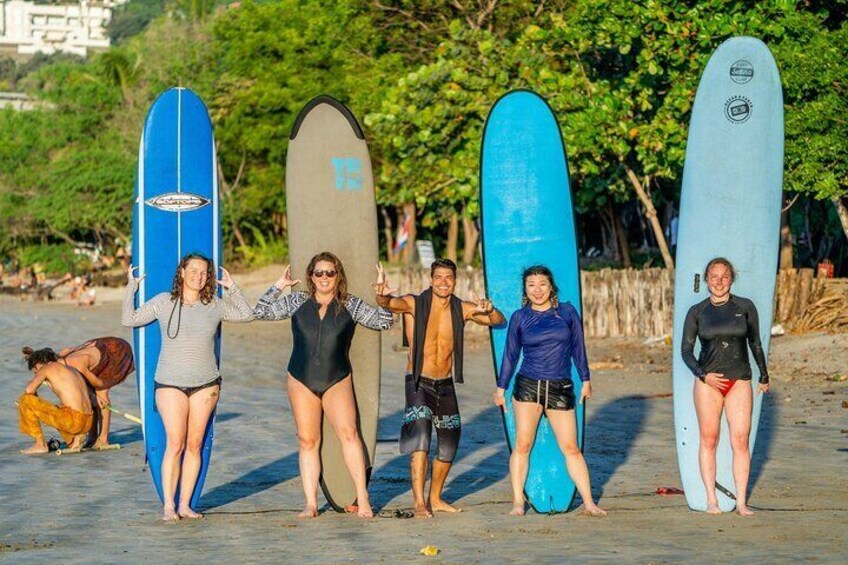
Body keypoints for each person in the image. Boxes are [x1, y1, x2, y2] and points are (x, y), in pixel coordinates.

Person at [253, 252, 393, 519]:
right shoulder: (296, 301)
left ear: (338, 276)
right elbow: (260, 311)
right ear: (311, 276)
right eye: (319, 273)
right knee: (307, 441)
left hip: (336, 378)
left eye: (330, 273)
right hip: (300, 378)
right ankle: (310, 503)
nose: (325, 278)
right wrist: (278, 286)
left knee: (350, 434)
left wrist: (383, 299)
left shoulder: (350, 304)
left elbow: (384, 322)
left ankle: (363, 497)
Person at [122, 253, 253, 522]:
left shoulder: (215, 305)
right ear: (182, 272)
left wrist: (232, 287)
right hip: (170, 383)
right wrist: (131, 288)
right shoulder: (162, 302)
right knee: (176, 443)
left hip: (206, 384)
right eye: (193, 270)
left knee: (194, 445)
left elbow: (247, 315)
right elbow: (129, 319)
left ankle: (185, 504)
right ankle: (169, 505)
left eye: (204, 272)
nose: (199, 276)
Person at [374, 258, 505, 517]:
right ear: (431, 279)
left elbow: (498, 321)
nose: (443, 282)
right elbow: (390, 303)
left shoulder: (462, 308)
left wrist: (489, 309)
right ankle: (419, 503)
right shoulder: (415, 303)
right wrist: (380, 295)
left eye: (449, 277)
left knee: (449, 443)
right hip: (418, 382)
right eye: (439, 277)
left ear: (455, 281)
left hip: (445, 384)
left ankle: (435, 498)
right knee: (420, 439)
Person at [494, 265, 606, 517]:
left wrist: (586, 379)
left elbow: (578, 347)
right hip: (527, 387)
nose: (537, 290)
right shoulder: (520, 317)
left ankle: (589, 503)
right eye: (531, 285)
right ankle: (517, 503)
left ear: (551, 286)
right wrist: (501, 388)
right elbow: (510, 355)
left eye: (542, 284)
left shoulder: (566, 312)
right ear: (525, 289)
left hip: (560, 387)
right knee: (522, 445)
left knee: (571, 447)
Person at [681, 257, 770, 516]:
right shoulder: (697, 311)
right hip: (708, 383)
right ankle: (711, 500)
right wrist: (703, 375)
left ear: (732, 279)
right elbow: (686, 351)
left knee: (740, 441)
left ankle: (741, 502)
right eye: (714, 277)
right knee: (709, 439)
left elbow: (755, 344)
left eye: (724, 276)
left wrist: (763, 376)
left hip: (739, 379)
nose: (719, 282)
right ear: (707, 280)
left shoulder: (745, 307)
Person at [59, 337, 135, 447]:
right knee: (90, 396)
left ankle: (103, 439)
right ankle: (93, 437)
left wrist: (98, 396)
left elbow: (98, 383)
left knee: (101, 394)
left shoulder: (75, 364)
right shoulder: (60, 358)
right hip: (100, 349)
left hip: (116, 351)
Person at [18, 347, 94, 454]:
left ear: (40, 363)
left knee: (25, 400)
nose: (36, 373)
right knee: (58, 410)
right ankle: (73, 440)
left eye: (36, 369)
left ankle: (40, 445)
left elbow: (29, 390)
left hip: (74, 421)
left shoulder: (47, 368)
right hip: (87, 422)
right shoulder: (72, 370)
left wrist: (33, 403)